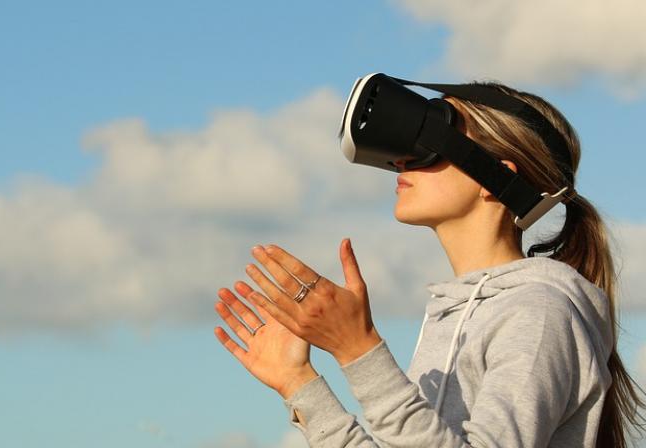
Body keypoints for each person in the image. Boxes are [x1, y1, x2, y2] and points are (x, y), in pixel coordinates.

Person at [213, 82, 646, 447]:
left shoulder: (540, 312)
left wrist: (358, 350)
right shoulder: (453, 315)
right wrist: (299, 383)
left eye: (432, 140)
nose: (401, 159)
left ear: (495, 178)